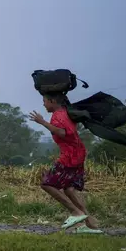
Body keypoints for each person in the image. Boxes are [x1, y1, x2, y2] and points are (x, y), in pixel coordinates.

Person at [29, 93, 102, 234]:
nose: (43, 104)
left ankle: (76, 212)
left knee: (46, 183)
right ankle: (89, 224)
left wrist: (42, 122)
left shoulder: (59, 115)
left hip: (70, 156)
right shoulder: (65, 113)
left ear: (53, 100)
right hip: (77, 154)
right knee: (69, 189)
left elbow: (62, 133)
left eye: (45, 101)